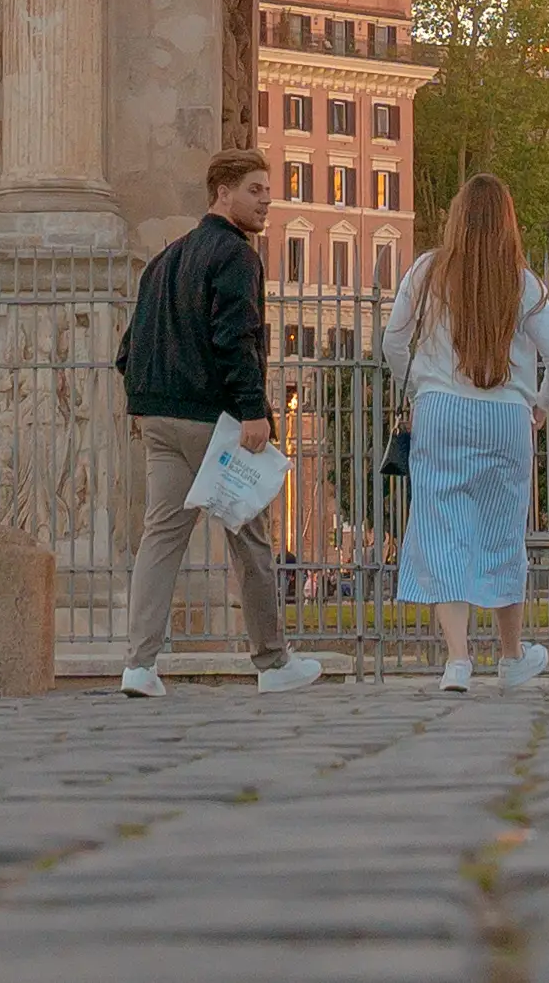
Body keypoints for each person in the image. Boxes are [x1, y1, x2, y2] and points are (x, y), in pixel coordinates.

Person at [115, 148, 322, 699]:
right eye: (255, 190)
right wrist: (253, 409)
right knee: (250, 540)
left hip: (159, 419)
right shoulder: (236, 256)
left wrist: (141, 403)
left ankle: (138, 666)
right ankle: (272, 663)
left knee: (160, 539)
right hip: (216, 423)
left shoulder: (164, 260)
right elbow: (236, 338)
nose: (266, 201)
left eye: (267, 191)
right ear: (222, 193)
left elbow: (128, 348)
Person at [384, 173, 549, 695]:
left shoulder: (427, 271)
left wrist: (419, 388)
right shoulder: (523, 283)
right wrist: (539, 405)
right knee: (502, 532)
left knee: (442, 530)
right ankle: (511, 655)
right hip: (507, 416)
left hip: (441, 411)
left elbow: (393, 343)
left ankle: (457, 660)